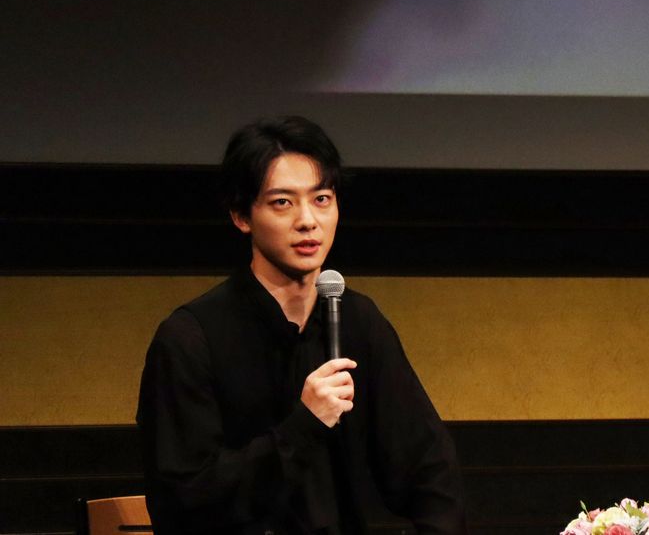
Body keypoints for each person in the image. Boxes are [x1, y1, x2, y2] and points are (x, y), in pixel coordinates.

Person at [137, 116, 466, 534]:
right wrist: (303, 426)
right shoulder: (190, 338)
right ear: (241, 215)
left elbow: (429, 466)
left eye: (322, 199)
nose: (308, 220)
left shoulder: (359, 321)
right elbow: (184, 499)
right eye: (283, 203)